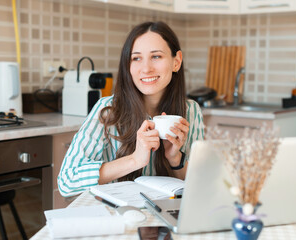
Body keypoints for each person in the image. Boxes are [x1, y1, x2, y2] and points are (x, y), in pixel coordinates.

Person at [58, 21, 205, 197]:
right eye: (136, 58)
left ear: (176, 61)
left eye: (156, 56)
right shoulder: (108, 109)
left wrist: (175, 159)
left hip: (168, 218)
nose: (146, 68)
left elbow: (200, 187)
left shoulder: (191, 111)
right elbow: (66, 182)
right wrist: (135, 159)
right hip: (118, 217)